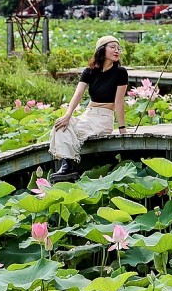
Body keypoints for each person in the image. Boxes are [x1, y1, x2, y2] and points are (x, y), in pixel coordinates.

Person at [49, 35, 128, 181]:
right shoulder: (89, 71)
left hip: (104, 118)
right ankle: (68, 164)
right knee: (60, 125)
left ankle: (69, 165)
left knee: (74, 131)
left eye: (118, 48)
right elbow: (78, 94)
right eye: (113, 47)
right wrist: (67, 115)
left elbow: (119, 101)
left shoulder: (120, 72)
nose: (117, 50)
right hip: (88, 114)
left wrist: (122, 127)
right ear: (102, 50)